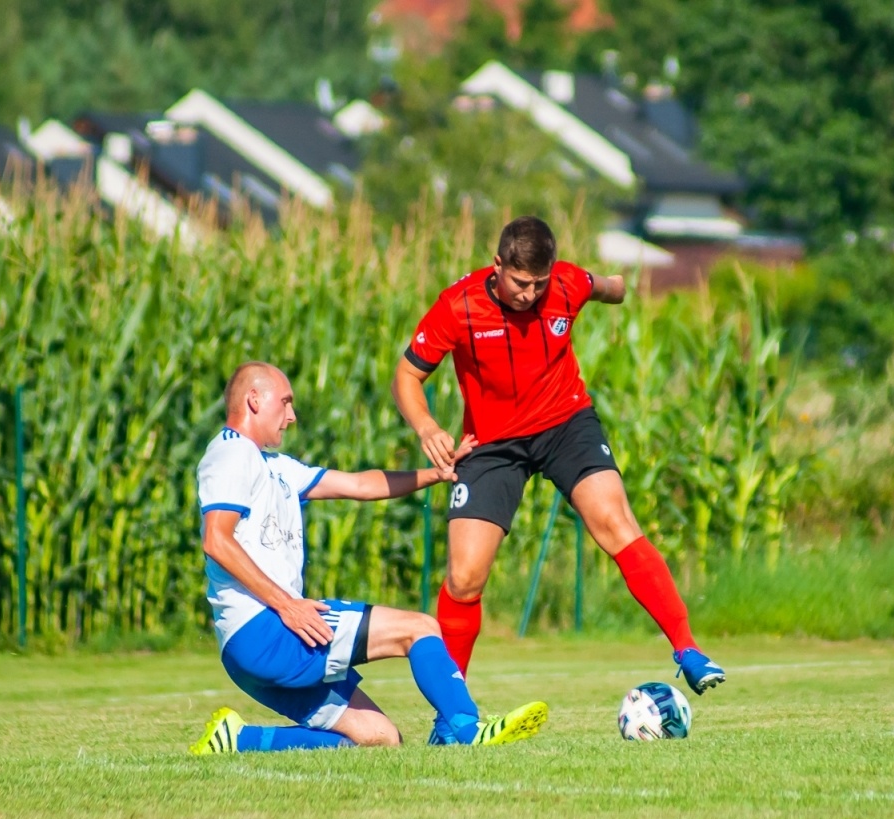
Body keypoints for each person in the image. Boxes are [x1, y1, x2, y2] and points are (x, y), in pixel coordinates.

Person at [393, 216, 725, 696]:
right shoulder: (458, 305)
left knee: (614, 522)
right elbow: (407, 376)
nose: (530, 293)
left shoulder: (567, 283)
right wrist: (426, 426)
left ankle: (687, 649)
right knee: (464, 578)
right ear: (497, 265)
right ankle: (453, 709)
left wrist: (620, 287)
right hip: (492, 445)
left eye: (539, 284)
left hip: (566, 424)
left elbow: (608, 286)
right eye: (520, 282)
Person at [188, 361, 548, 755]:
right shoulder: (231, 453)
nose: (291, 416)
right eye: (285, 402)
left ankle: (238, 739)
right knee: (421, 627)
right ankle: (465, 729)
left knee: (380, 738)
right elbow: (216, 542)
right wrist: (287, 606)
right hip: (266, 629)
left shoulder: (273, 467)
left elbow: (362, 485)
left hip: (248, 647)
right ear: (254, 399)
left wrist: (439, 473)